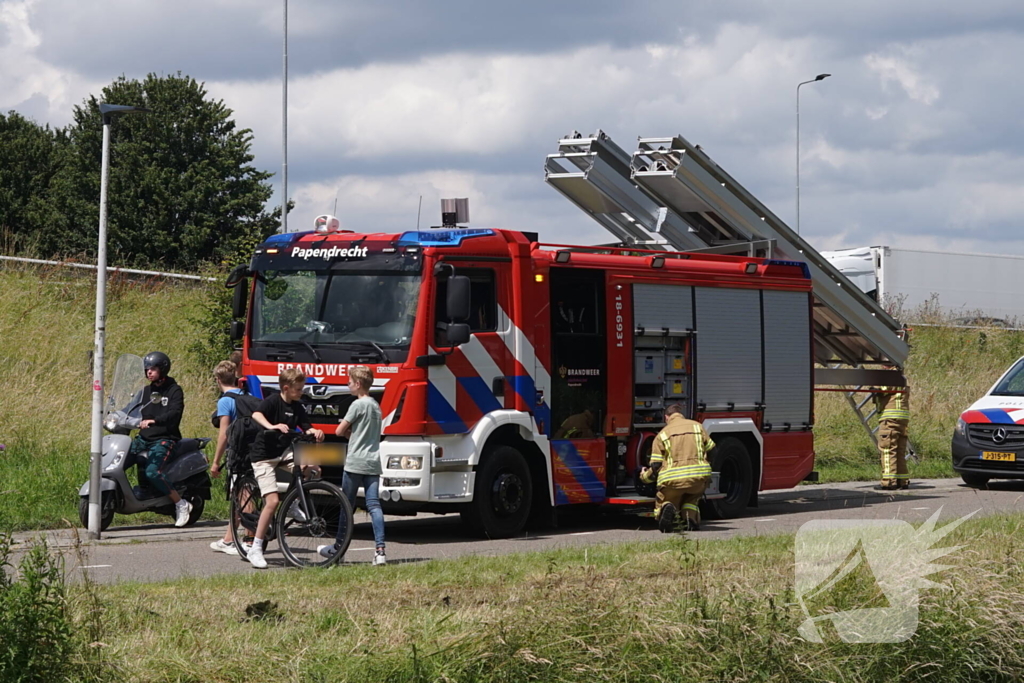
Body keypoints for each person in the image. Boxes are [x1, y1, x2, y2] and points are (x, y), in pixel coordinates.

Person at [246, 369, 325, 569]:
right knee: (272, 501)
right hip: (264, 457)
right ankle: (255, 548)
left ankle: (292, 502)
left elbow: (306, 426)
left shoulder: (297, 406)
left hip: (283, 453)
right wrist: (271, 426)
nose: (301, 392)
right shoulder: (273, 401)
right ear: (286, 388)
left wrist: (315, 431)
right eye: (298, 389)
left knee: (313, 468)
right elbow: (256, 414)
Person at [318, 365, 386, 566]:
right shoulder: (376, 406)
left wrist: (350, 433)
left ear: (358, 384)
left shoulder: (357, 405)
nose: (347, 386)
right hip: (373, 461)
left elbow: (339, 431)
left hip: (355, 461)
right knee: (374, 505)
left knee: (346, 505)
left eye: (349, 382)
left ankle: (338, 549)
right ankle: (380, 551)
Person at [130, 351, 191, 527]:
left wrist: (154, 421)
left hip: (164, 438)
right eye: (147, 369)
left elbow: (175, 413)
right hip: (143, 438)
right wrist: (115, 416)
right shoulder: (145, 391)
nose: (149, 372)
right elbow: (130, 408)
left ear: (163, 369)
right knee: (120, 460)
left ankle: (181, 503)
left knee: (152, 471)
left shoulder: (174, 390)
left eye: (153, 369)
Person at [640, 404, 714, 532]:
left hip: (672, 482)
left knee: (667, 498)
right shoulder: (697, 426)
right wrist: (707, 465)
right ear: (681, 415)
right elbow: (712, 450)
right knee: (692, 498)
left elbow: (656, 465)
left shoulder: (662, 434)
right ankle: (690, 518)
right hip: (698, 479)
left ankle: (666, 507)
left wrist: (644, 477)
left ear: (666, 417)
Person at [209, 360, 245, 555]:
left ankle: (239, 540)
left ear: (218, 379)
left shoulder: (225, 401)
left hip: (236, 453)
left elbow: (224, 434)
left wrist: (216, 461)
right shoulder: (245, 395)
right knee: (243, 495)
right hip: (250, 451)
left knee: (240, 496)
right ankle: (230, 538)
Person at [874, 379, 911, 491]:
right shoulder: (901, 377)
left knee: (887, 450)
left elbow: (883, 388)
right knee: (899, 451)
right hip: (902, 419)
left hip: (890, 419)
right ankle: (902, 480)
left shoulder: (890, 376)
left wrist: (874, 388)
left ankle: (889, 482)